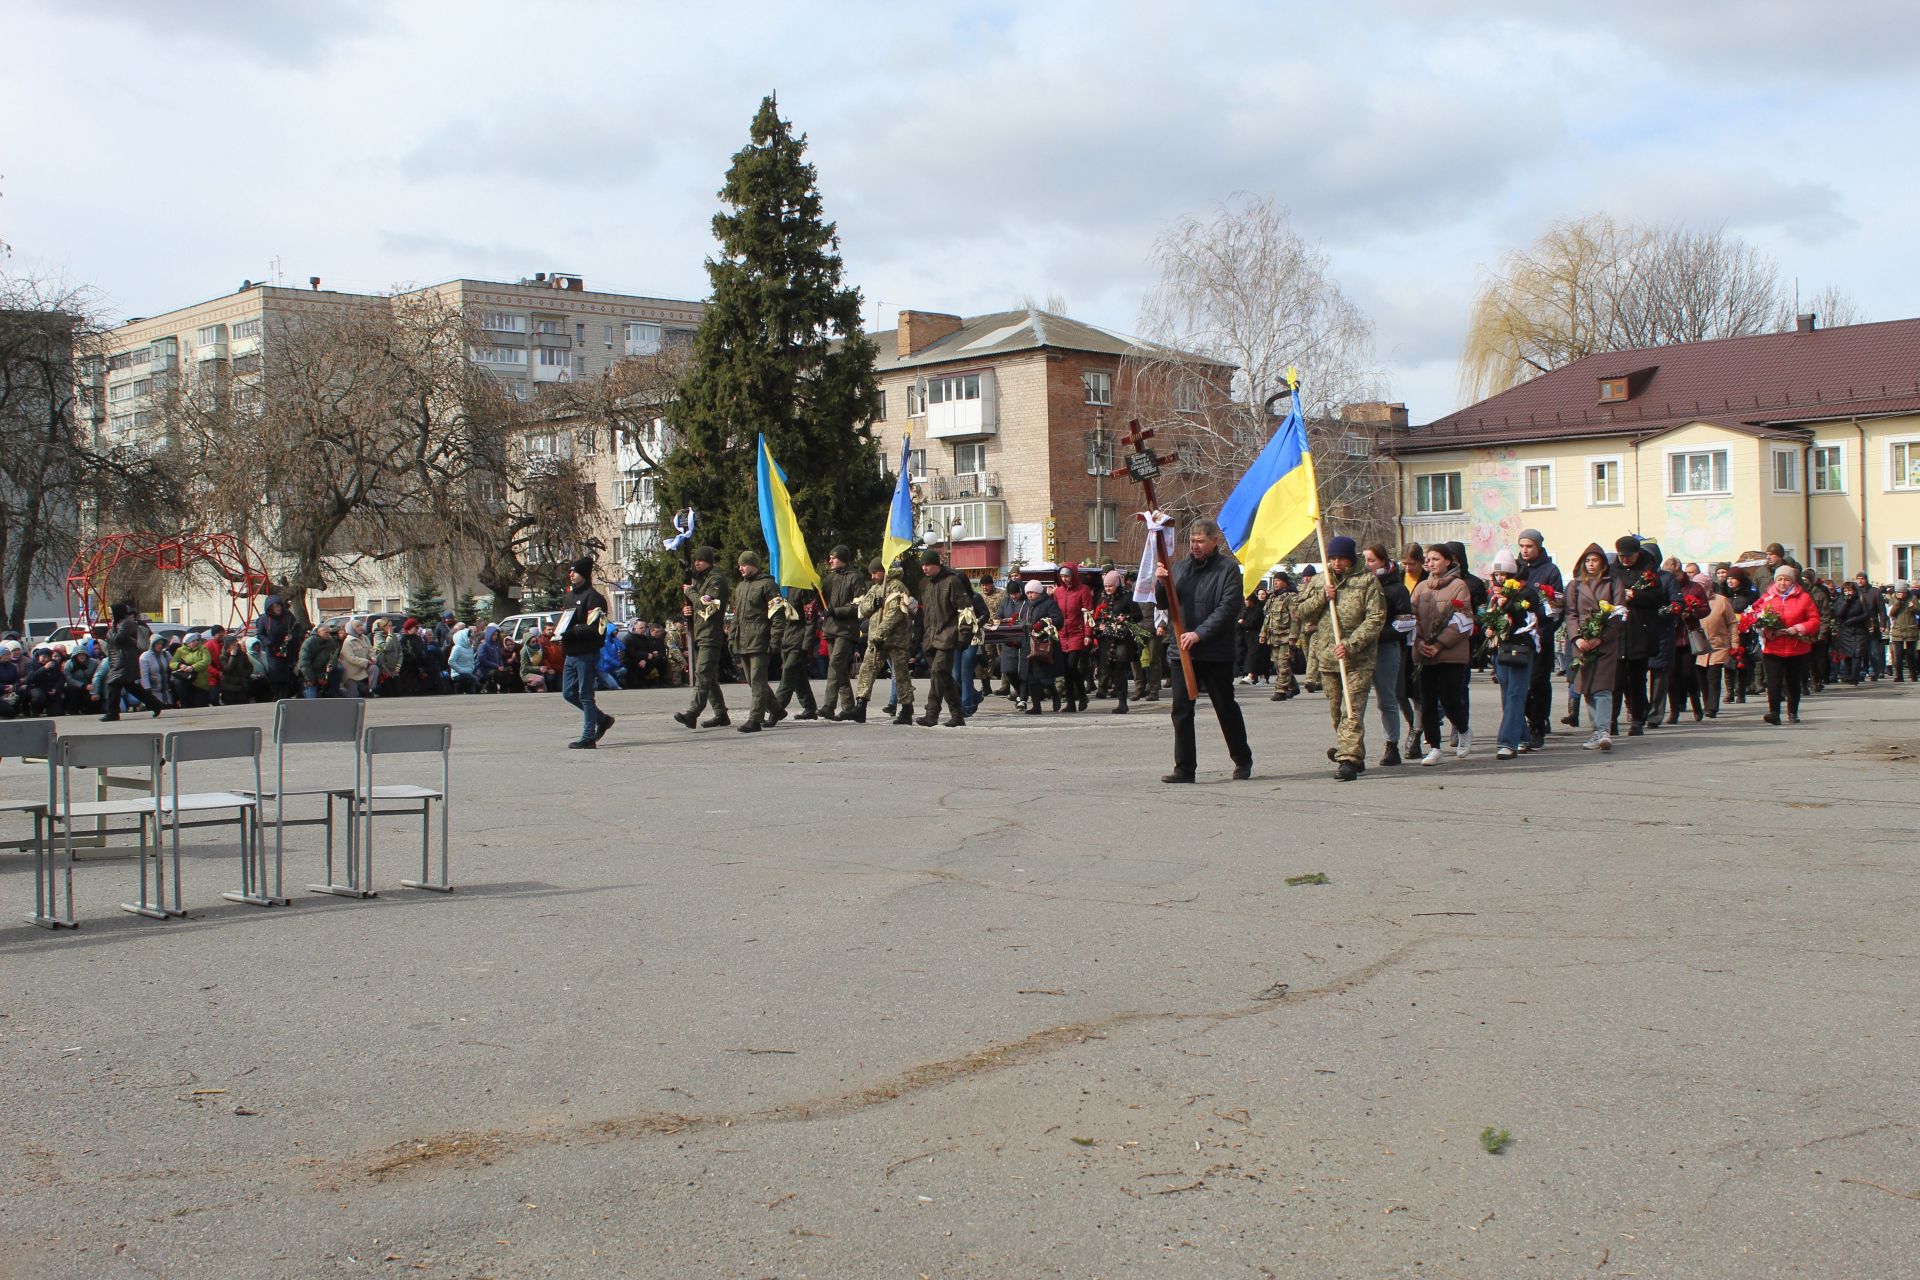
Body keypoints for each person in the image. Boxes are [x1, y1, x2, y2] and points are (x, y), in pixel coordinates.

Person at [1153, 519, 1252, 784]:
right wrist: (1161, 582)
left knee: (1225, 707)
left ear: (1213, 542)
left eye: (1200, 541)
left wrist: (1199, 633)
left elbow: (1228, 608)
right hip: (1182, 651)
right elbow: (1164, 603)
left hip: (1215, 651)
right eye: (1192, 541)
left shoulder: (1228, 569)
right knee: (1182, 710)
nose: (1194, 546)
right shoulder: (1179, 568)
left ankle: (1242, 758)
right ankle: (1184, 768)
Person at [1294, 535, 1386, 781]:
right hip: (1328, 658)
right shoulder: (1319, 581)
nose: (1336, 563)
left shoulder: (1367, 581)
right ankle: (1353, 750)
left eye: (1341, 559)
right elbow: (1299, 611)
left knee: (1351, 711)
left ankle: (1347, 760)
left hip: (1358, 660)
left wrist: (1351, 644)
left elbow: (1376, 618)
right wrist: (1321, 598)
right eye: (1332, 558)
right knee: (1337, 713)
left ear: (1351, 559)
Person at [1409, 544, 1473, 765]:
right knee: (1427, 701)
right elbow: (1412, 617)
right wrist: (1419, 642)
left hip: (1450, 653)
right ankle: (1435, 747)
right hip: (1424, 653)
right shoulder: (1421, 588)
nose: (1430, 563)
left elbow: (1463, 619)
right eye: (1428, 559)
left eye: (1435, 559)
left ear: (1447, 561)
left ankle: (1463, 729)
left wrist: (1439, 644)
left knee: (1449, 699)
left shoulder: (1459, 586)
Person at [1483, 550, 1545, 760]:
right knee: (1507, 695)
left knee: (1516, 695)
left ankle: (1507, 742)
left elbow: (1534, 618)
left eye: (1504, 574)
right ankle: (1523, 737)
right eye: (1497, 574)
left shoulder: (1526, 594)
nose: (1500, 578)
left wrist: (1509, 605)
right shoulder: (1494, 595)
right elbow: (1487, 618)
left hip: (1520, 648)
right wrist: (1488, 628)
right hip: (1499, 649)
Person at [1739, 565, 1820, 725]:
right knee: (1773, 681)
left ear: (1793, 581)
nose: (1783, 583)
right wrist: (1767, 630)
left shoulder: (1803, 598)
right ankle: (1774, 712)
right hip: (1773, 646)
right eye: (1780, 579)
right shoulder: (1767, 597)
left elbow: (1814, 620)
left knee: (1793, 681)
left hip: (1796, 646)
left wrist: (1798, 628)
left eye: (1787, 579)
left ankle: (1792, 712)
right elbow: (1755, 616)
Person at [1562, 543, 1621, 750]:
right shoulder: (1575, 585)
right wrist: (1576, 637)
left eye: (1595, 560)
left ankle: (1604, 731)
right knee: (1586, 688)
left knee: (1602, 688)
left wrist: (1601, 638)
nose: (1591, 564)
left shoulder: (1613, 582)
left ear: (1603, 563)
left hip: (1605, 642)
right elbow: (1570, 614)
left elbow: (1619, 613)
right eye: (1587, 560)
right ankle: (1596, 731)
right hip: (1582, 642)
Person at [1611, 535, 1668, 736]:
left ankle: (1637, 718)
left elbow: (1658, 598)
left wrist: (1635, 596)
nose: (1625, 559)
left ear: (1637, 553)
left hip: (1639, 630)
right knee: (1615, 679)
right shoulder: (1612, 570)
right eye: (1621, 556)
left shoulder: (1648, 571)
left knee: (1636, 679)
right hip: (1617, 631)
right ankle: (1611, 720)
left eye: (1629, 556)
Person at [1364, 545, 1415, 766]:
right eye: (1365, 560)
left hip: (1386, 649)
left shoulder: (1396, 589)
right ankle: (1353, 748)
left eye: (1372, 560)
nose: (1367, 565)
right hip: (1361, 649)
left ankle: (1391, 745)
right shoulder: (1360, 586)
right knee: (1355, 700)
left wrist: (1381, 634)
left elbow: (1406, 622)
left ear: (1384, 561)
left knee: (1387, 700)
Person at [557, 555, 614, 747]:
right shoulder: (569, 597)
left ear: (584, 574)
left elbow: (598, 628)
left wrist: (575, 630)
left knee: (586, 695)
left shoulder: (594, 598)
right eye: (571, 571)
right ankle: (602, 719)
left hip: (586, 652)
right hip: (571, 652)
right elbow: (565, 621)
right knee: (568, 693)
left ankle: (588, 737)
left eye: (575, 571)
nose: (571, 574)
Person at [673, 546, 731, 729]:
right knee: (709, 677)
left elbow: (708, 605)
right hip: (700, 632)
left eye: (701, 560)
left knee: (703, 674)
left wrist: (690, 592)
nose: (697, 563)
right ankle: (721, 714)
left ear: (709, 562)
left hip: (710, 634)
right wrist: (687, 610)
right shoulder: (700, 580)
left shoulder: (716, 580)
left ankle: (692, 713)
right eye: (695, 560)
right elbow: (698, 606)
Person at [853, 558, 916, 724]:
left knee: (901, 675)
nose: (873, 576)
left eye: (875, 573)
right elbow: (863, 608)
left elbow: (895, 613)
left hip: (895, 640)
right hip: (876, 641)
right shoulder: (875, 588)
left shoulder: (897, 586)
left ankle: (906, 709)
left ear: (884, 571)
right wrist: (874, 604)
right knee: (866, 670)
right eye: (871, 573)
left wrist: (880, 634)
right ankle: (860, 706)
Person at [1516, 529, 1563, 750]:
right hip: (1518, 637)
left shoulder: (1550, 570)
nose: (1525, 550)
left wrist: (1545, 627)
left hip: (1541, 637)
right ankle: (1527, 720)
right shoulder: (1515, 568)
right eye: (1522, 546)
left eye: (1529, 546)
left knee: (1538, 682)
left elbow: (1557, 606)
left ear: (1538, 546)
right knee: (1519, 685)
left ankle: (1538, 726)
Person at [914, 547, 971, 727]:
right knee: (944, 678)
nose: (925, 568)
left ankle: (932, 714)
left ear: (937, 564)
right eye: (923, 565)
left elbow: (965, 609)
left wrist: (964, 635)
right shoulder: (924, 584)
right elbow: (922, 613)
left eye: (928, 564)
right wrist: (917, 637)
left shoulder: (952, 581)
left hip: (948, 636)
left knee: (937, 672)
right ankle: (957, 715)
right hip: (929, 638)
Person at [729, 550, 778, 733]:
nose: (740, 568)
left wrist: (775, 640)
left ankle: (755, 719)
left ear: (753, 565)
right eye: (739, 565)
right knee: (752, 680)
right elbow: (736, 617)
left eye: (743, 565)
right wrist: (732, 636)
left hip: (760, 639)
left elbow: (778, 616)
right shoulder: (740, 587)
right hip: (743, 640)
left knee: (757, 680)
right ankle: (777, 710)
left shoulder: (768, 585)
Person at [817, 546, 864, 720]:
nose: (830, 561)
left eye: (833, 557)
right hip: (830, 628)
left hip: (846, 629)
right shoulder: (829, 578)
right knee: (840, 669)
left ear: (842, 558)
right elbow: (822, 600)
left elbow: (859, 605)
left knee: (835, 664)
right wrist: (815, 591)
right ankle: (849, 707)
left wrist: (835, 611)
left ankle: (828, 706)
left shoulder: (855, 577)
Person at [1092, 570, 1142, 714]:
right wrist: (1099, 625)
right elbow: (1096, 616)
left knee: (1120, 670)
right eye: (1106, 586)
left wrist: (1125, 617)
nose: (1107, 589)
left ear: (1117, 584)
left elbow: (1138, 615)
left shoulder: (1127, 596)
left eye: (1110, 586)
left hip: (1122, 640)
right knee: (1111, 670)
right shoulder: (1102, 597)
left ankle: (1122, 703)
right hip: (1107, 640)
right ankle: (1117, 696)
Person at [1014, 578, 1063, 715]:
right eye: (1028, 593)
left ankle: (1055, 695)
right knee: (1030, 677)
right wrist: (1016, 641)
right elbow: (1024, 626)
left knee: (1044, 677)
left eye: (1032, 592)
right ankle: (1036, 706)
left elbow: (1059, 620)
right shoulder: (1027, 606)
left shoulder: (1049, 604)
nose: (1029, 595)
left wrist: (1043, 623)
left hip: (1042, 645)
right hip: (1028, 645)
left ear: (1039, 592)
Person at [771, 588, 820, 721]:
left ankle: (776, 708)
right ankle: (810, 707)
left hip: (799, 639)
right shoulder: (779, 589)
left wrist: (806, 645)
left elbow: (811, 619)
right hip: (785, 639)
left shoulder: (804, 590)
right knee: (798, 676)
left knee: (788, 672)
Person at [1054, 564, 1095, 712]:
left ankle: (1082, 694)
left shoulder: (1083, 590)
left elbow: (1088, 613)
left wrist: (1088, 634)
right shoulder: (1058, 592)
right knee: (1065, 670)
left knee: (1071, 666)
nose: (1064, 579)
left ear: (1074, 576)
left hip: (1077, 633)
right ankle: (1070, 702)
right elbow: (1054, 611)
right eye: (1062, 576)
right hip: (1062, 634)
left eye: (1067, 576)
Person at [1695, 574, 1735, 718]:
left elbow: (1732, 623)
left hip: (1718, 645)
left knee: (1713, 677)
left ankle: (1712, 708)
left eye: (1701, 585)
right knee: (1702, 678)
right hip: (1699, 646)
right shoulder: (1692, 601)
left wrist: (1735, 643)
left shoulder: (1721, 601)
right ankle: (1707, 703)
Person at [1260, 573, 1299, 701]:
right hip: (1274, 637)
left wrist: (1293, 637)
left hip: (1286, 636)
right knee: (1278, 664)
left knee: (1283, 663)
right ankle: (1293, 686)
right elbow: (1268, 618)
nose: (1275, 583)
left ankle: (1281, 691)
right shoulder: (1273, 598)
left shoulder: (1291, 597)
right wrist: (1263, 633)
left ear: (1285, 582)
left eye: (1278, 581)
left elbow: (1295, 618)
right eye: (1275, 580)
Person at [1831, 579, 1868, 686]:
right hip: (1845, 631)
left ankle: (1855, 677)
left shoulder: (1860, 599)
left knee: (1857, 654)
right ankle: (1847, 675)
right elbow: (1839, 614)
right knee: (1847, 654)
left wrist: (1854, 620)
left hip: (1859, 630)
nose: (1848, 593)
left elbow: (1866, 614)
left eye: (1850, 590)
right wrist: (1846, 602)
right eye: (1845, 591)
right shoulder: (1840, 600)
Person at [169, 632, 214, 707]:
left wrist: (193, 667)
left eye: (196, 640)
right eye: (193, 641)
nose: (196, 642)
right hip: (186, 682)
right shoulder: (180, 650)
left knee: (201, 705)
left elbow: (207, 660)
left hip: (201, 683)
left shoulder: (203, 649)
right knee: (187, 705)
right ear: (187, 643)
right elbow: (172, 663)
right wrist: (180, 665)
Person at [1891, 582, 1919, 682]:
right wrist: (1898, 602)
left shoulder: (1912, 598)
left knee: (1911, 654)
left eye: (1903, 592)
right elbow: (1891, 613)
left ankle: (1913, 674)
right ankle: (1899, 676)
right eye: (1899, 592)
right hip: (1898, 629)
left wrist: (1912, 607)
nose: (1901, 594)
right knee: (1898, 654)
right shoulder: (1893, 598)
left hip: (1911, 628)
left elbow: (1918, 610)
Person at [338, 620, 374, 698]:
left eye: (361, 625)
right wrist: (366, 661)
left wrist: (373, 658)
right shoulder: (348, 641)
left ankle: (370, 690)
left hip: (363, 669)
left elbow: (371, 650)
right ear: (352, 629)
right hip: (352, 673)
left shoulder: (365, 638)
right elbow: (351, 658)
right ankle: (339, 691)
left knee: (374, 668)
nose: (361, 627)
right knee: (354, 696)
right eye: (357, 626)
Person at [446, 625, 478, 694]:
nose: (471, 639)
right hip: (457, 674)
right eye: (469, 637)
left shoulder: (470, 648)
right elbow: (451, 661)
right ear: (464, 637)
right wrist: (462, 670)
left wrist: (471, 668)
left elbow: (472, 662)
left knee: (475, 678)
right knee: (473, 679)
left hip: (468, 672)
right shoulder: (457, 648)